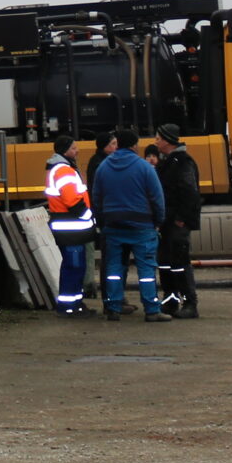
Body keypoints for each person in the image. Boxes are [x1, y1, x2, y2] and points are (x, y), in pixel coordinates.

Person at [92, 128, 169, 322]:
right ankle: (152, 310)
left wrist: (102, 221)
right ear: (135, 145)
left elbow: (96, 197)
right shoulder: (144, 167)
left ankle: (113, 307)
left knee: (114, 269)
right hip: (141, 226)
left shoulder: (104, 167)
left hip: (113, 226)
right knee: (146, 270)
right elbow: (157, 197)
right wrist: (158, 221)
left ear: (118, 144)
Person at [42, 134, 96, 316]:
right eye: (73, 148)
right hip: (71, 227)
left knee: (73, 267)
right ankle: (70, 306)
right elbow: (72, 199)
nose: (77, 150)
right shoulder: (64, 170)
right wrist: (89, 216)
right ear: (65, 150)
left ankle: (73, 304)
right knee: (74, 267)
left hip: (67, 226)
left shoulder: (59, 168)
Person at [152, 124, 202, 319]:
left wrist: (181, 218)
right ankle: (170, 300)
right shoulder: (168, 161)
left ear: (167, 140)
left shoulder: (182, 162)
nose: (156, 141)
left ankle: (190, 303)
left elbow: (190, 192)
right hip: (167, 221)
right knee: (165, 262)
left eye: (158, 138)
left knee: (180, 262)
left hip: (175, 222)